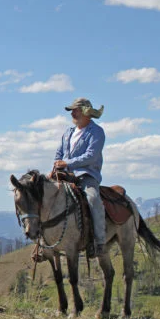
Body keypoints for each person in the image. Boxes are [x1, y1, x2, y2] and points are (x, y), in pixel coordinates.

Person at [53, 97, 106, 257]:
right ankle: (44, 243)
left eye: (75, 110)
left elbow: (91, 156)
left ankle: (99, 242)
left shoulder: (96, 132)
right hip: (64, 175)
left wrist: (66, 163)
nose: (72, 114)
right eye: (72, 111)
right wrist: (55, 166)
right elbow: (59, 154)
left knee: (93, 199)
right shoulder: (68, 132)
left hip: (86, 176)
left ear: (85, 112)